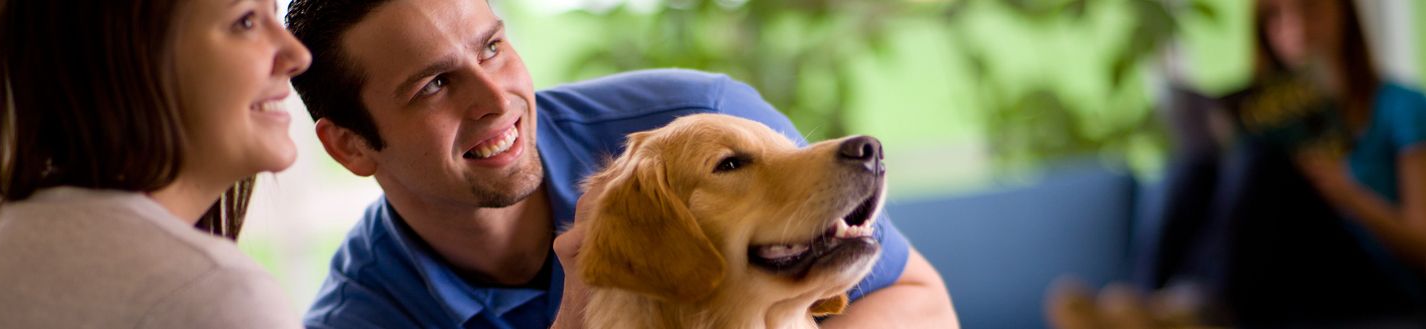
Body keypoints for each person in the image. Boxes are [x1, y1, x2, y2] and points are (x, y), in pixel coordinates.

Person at [284, 0, 959, 327]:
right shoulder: (362, 318)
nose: (498, 100)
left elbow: (921, 302)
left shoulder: (698, 118)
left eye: (492, 47)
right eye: (433, 85)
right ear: (350, 145)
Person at [0, 0, 312, 327]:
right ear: (133, 53)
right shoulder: (213, 295)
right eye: (245, 21)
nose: (298, 55)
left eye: (273, 14)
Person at [1143, 0, 1426, 325]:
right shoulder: (1267, 119)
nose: (1297, 31)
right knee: (1196, 162)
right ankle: (1142, 305)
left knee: (1261, 159)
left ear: (1343, 14)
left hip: (1375, 277)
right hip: (1288, 276)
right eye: (1276, 17)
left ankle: (1201, 313)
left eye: (1311, 10)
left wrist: (1348, 195)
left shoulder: (1402, 105)